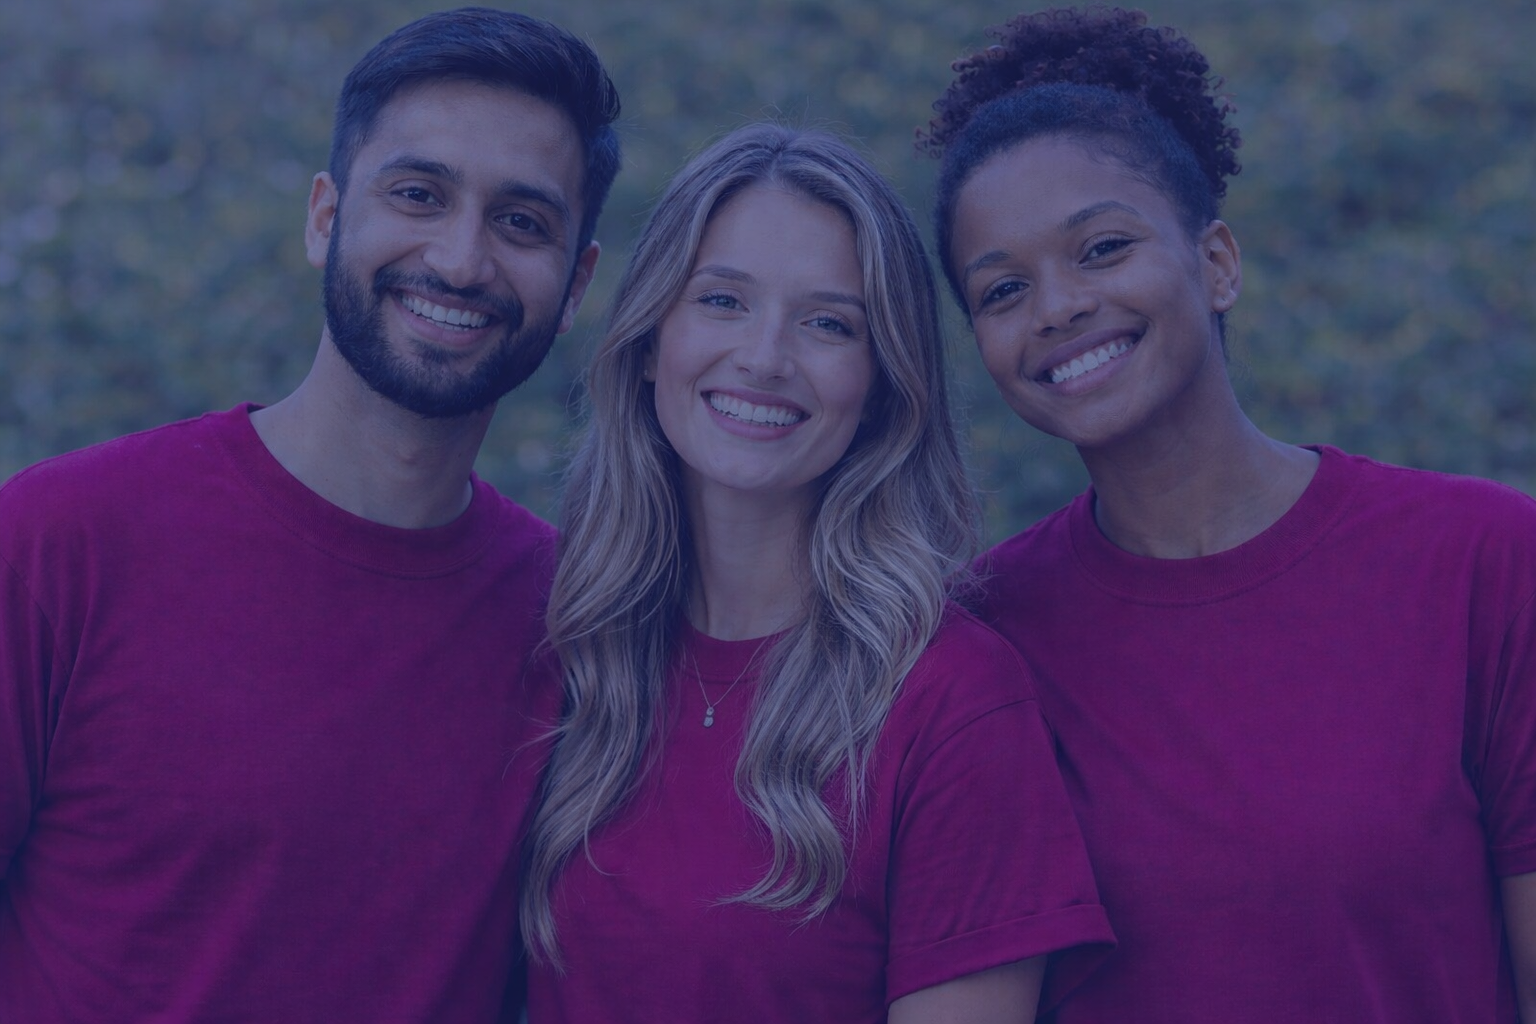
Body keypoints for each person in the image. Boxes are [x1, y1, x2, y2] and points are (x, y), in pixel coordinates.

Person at [0, 8, 619, 1020]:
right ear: (325, 216)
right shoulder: (62, 540)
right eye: (418, 194)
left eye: (521, 222)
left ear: (576, 281)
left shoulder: (580, 625)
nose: (461, 261)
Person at [920, 7, 1536, 1022]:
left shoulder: (1483, 559)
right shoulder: (982, 640)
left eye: (1103, 247)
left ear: (1216, 264)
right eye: (1002, 289)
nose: (1058, 306)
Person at [515, 123, 1113, 1024]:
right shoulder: (565, 649)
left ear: (881, 386)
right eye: (721, 301)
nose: (764, 356)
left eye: (829, 323)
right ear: (647, 342)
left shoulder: (951, 702)